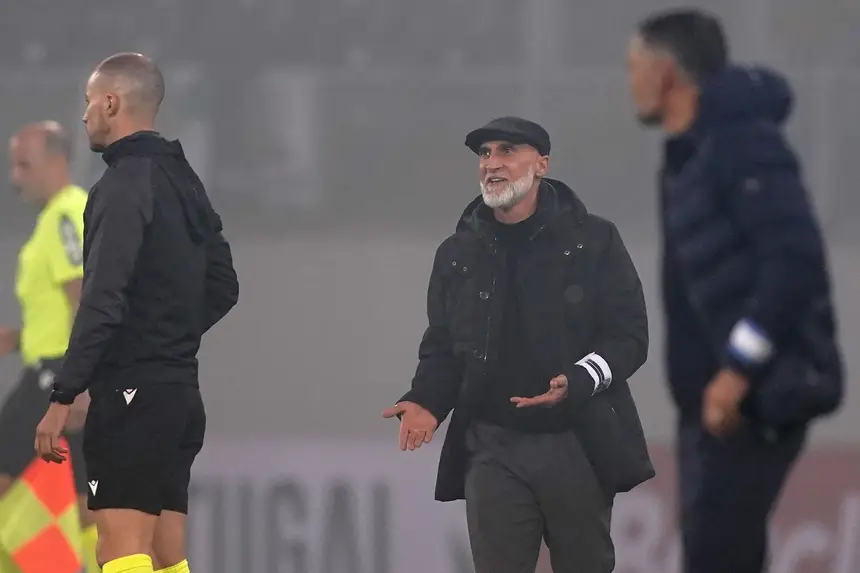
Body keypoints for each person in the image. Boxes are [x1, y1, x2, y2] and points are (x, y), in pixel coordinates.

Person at [383, 116, 654, 573]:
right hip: (491, 445)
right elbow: (444, 346)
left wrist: (579, 379)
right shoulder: (456, 252)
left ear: (541, 164)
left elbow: (630, 335)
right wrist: (426, 400)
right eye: (485, 154)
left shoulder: (595, 240)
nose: (492, 164)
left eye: (506, 151)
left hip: (577, 440)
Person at [626, 9, 843, 573]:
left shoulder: (742, 145)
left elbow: (793, 262)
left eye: (635, 67)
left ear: (667, 74)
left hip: (758, 396)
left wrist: (739, 369)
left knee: (718, 555)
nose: (630, 83)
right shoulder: (689, 156)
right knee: (719, 553)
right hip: (714, 406)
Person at [34, 52, 239, 573]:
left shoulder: (122, 186)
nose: (83, 115)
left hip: (131, 394)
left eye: (87, 103)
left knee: (120, 548)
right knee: (168, 553)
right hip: (177, 393)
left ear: (111, 103)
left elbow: (103, 299)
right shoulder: (185, 179)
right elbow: (223, 284)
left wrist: (63, 393)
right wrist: (166, 335)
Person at [0, 120, 98, 570]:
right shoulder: (61, 216)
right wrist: (18, 338)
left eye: (25, 165)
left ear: (57, 161)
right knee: (82, 503)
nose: (15, 177)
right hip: (57, 367)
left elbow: (84, 298)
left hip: (55, 376)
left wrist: (78, 383)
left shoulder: (64, 216)